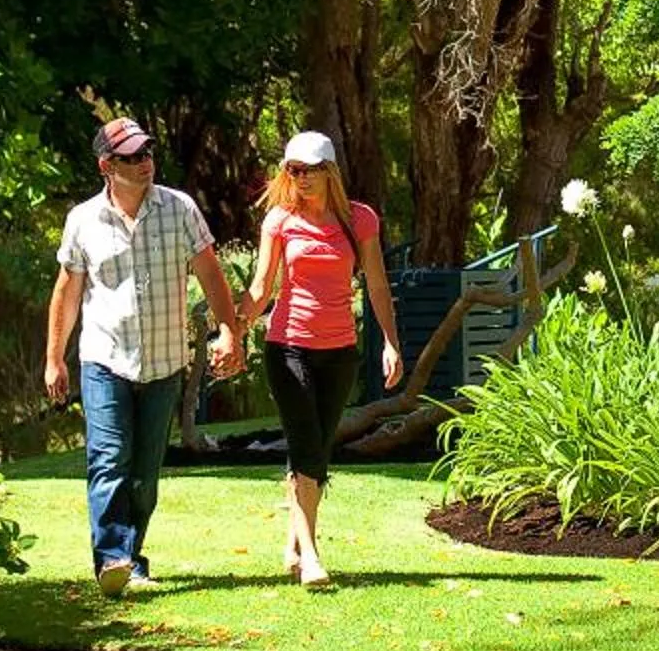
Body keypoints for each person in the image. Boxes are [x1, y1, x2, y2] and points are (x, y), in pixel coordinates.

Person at [44, 115, 243, 595]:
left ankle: (132, 558)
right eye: (132, 157)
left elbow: (211, 275)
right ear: (106, 166)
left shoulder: (180, 209)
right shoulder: (83, 220)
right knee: (109, 458)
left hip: (164, 360)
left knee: (144, 477)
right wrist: (54, 359)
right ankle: (112, 557)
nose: (144, 163)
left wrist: (230, 333)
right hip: (104, 359)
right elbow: (67, 295)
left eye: (147, 153)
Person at [241, 129, 401, 586]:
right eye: (294, 170)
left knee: (317, 453)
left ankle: (294, 539)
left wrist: (390, 342)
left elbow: (376, 284)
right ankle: (310, 557)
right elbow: (261, 288)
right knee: (306, 446)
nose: (302, 179)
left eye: (310, 170)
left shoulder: (360, 220)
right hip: (288, 346)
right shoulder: (280, 221)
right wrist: (232, 326)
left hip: (340, 351)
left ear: (330, 171)